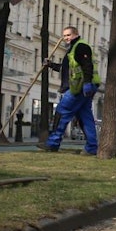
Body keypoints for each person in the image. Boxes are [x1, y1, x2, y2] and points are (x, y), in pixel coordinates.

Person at [40, 26, 100, 155]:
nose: (66, 38)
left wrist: (87, 83)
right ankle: (92, 147)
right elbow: (67, 69)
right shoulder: (72, 49)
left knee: (62, 112)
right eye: (64, 35)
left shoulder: (80, 46)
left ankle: (53, 143)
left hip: (78, 87)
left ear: (75, 34)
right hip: (82, 86)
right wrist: (51, 65)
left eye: (68, 35)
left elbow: (87, 65)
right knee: (85, 117)